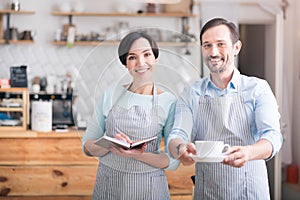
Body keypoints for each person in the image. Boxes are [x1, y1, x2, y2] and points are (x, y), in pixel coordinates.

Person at [168, 18, 283, 199]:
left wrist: (249, 152)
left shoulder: (257, 88)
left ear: (236, 47)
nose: (213, 52)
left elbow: (273, 137)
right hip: (208, 191)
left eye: (221, 44)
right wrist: (180, 148)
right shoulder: (192, 92)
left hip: (250, 191)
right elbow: (177, 134)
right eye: (207, 45)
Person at [82, 31, 179, 200]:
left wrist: (139, 155)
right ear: (125, 64)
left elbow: (172, 160)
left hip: (149, 189)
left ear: (155, 58)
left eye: (147, 54)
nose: (140, 63)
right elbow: (87, 147)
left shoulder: (169, 102)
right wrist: (109, 143)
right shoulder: (110, 94)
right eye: (132, 57)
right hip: (109, 186)